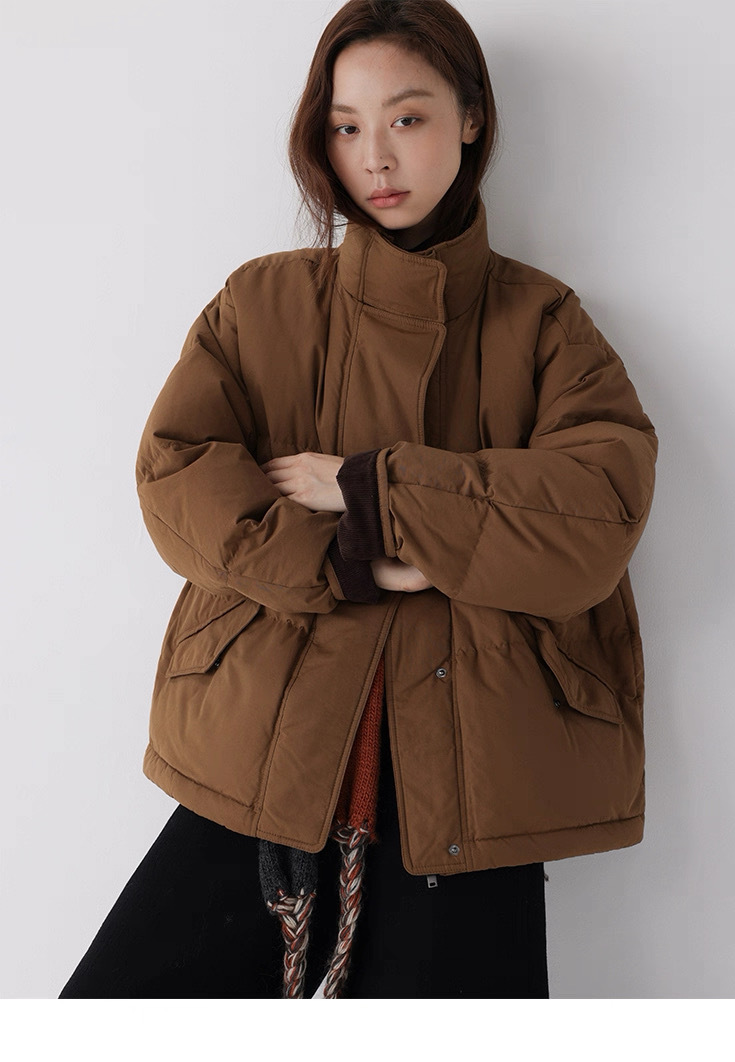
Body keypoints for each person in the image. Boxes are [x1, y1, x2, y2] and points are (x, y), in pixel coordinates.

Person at [59, 0, 657, 1000]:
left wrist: (365, 484)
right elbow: (176, 474)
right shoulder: (264, 303)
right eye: (345, 126)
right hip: (263, 761)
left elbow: (596, 513)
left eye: (407, 118)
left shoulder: (545, 322)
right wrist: (357, 561)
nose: (374, 156)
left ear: (472, 117)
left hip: (476, 788)